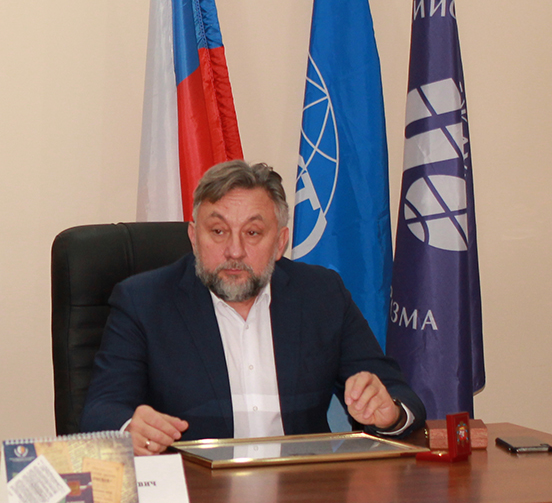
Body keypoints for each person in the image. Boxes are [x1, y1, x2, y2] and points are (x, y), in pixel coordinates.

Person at [79, 160, 425, 455]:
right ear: (194, 237)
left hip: (301, 487)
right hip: (195, 490)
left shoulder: (321, 295)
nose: (234, 251)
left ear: (280, 243)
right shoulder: (144, 302)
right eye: (218, 231)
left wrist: (390, 414)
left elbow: (397, 393)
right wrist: (129, 428)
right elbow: (100, 410)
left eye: (253, 233)